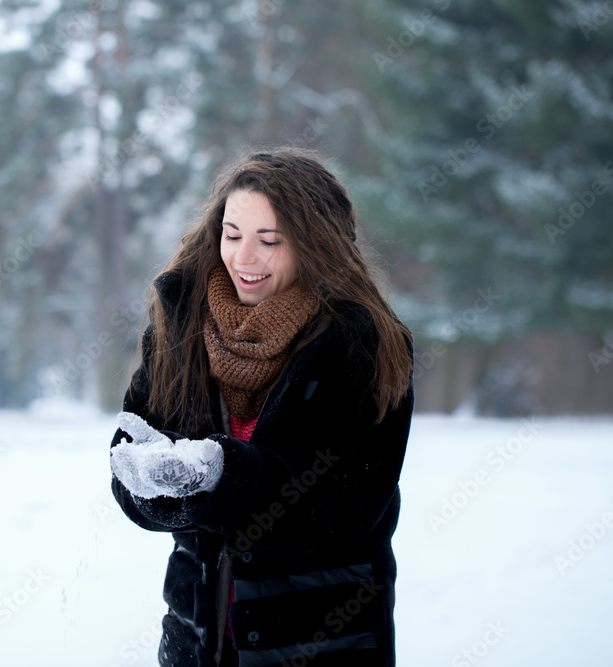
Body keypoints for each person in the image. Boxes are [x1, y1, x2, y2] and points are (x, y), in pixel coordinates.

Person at [109, 147, 414, 666]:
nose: (242, 258)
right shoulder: (180, 327)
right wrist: (156, 481)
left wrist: (223, 475)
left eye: (268, 241)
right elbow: (131, 458)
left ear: (316, 246)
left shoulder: (361, 344)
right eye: (232, 235)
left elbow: (346, 509)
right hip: (198, 646)